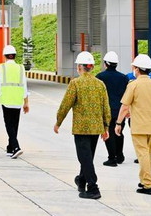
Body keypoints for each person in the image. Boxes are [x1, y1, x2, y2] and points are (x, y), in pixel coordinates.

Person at [115, 54, 151, 195]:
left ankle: (149, 185)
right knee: (147, 155)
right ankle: (144, 181)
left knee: (142, 155)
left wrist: (118, 123)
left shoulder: (133, 85)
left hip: (138, 127)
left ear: (136, 69)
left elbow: (124, 107)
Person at [55, 51, 111, 200]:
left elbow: (65, 105)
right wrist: (106, 127)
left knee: (84, 158)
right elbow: (106, 107)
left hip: (81, 128)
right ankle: (81, 181)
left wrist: (58, 122)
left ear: (79, 67)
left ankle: (93, 188)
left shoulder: (76, 83)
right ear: (91, 67)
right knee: (87, 157)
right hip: (96, 128)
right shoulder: (100, 84)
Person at [0, 45, 29, 159]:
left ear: (5, 56)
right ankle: (10, 147)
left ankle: (16, 147)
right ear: (14, 56)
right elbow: (24, 85)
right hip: (18, 100)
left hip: (7, 99)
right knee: (15, 124)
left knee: (9, 125)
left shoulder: (2, 67)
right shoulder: (21, 67)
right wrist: (26, 102)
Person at [96, 51, 129, 166]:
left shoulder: (100, 77)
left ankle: (112, 158)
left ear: (106, 63)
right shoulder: (124, 78)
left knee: (108, 133)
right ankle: (120, 155)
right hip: (120, 110)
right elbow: (127, 95)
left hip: (106, 110)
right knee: (119, 132)